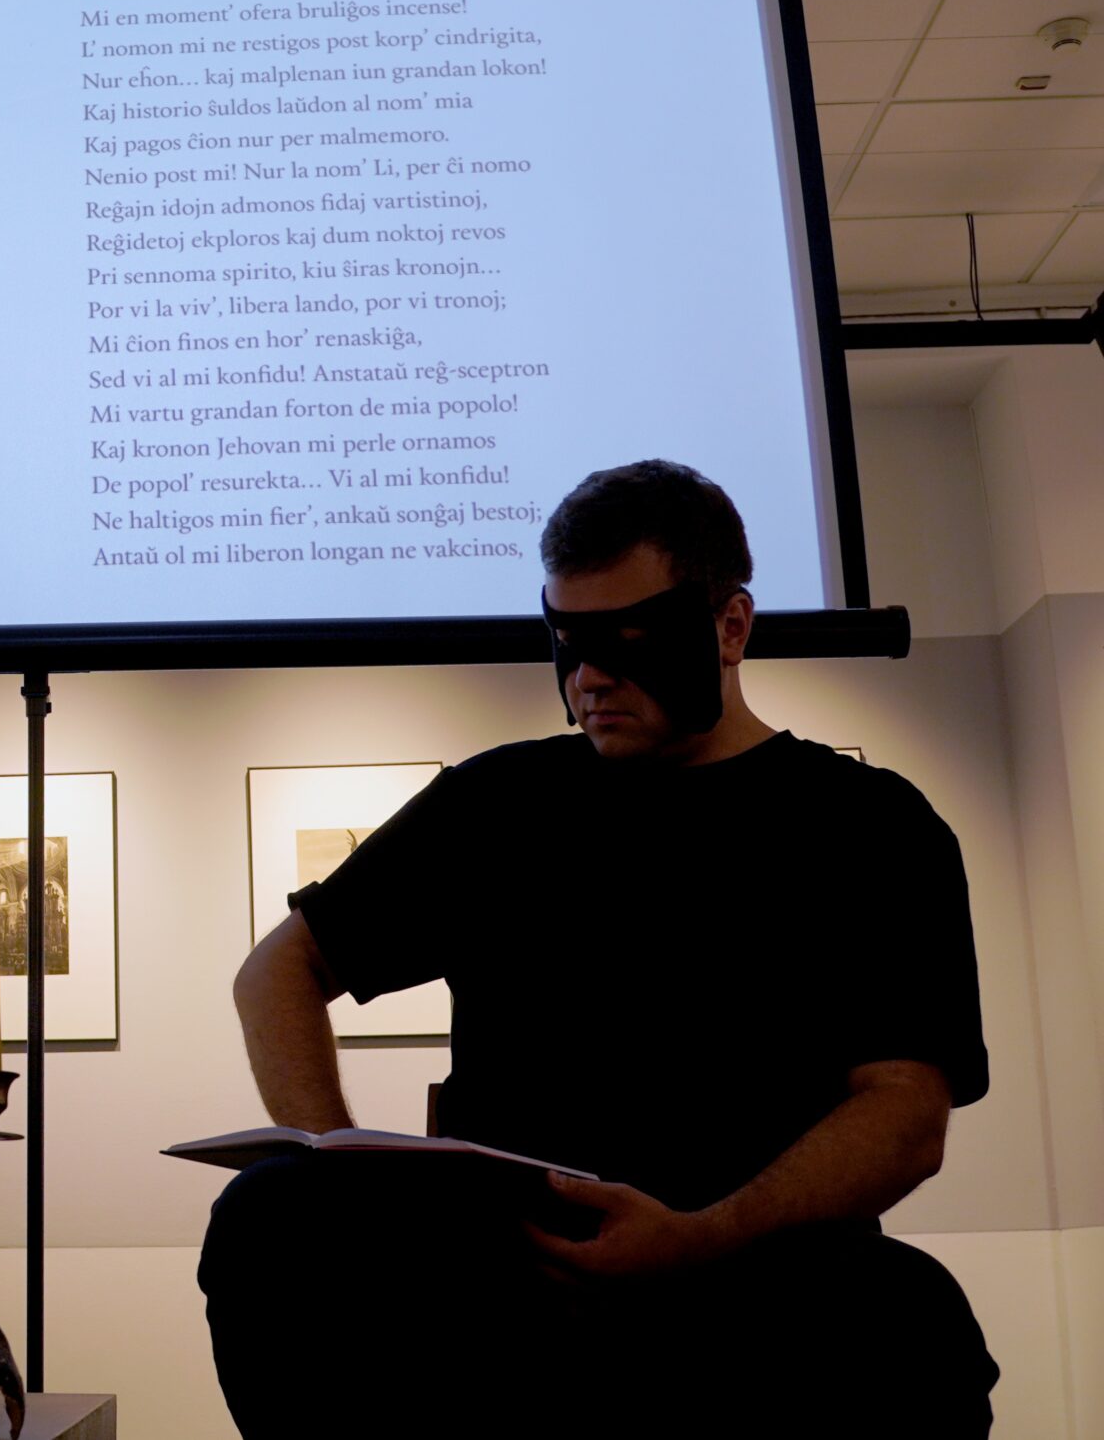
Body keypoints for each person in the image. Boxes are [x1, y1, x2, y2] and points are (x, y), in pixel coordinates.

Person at [201, 460, 996, 1438]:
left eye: (630, 642)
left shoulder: (869, 826)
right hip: (505, 1277)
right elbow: (278, 970)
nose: (589, 679)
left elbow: (906, 1111)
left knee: (911, 1321)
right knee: (272, 1214)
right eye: (568, 644)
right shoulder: (499, 803)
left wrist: (706, 1236)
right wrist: (342, 1174)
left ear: (730, 627)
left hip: (756, 1274)